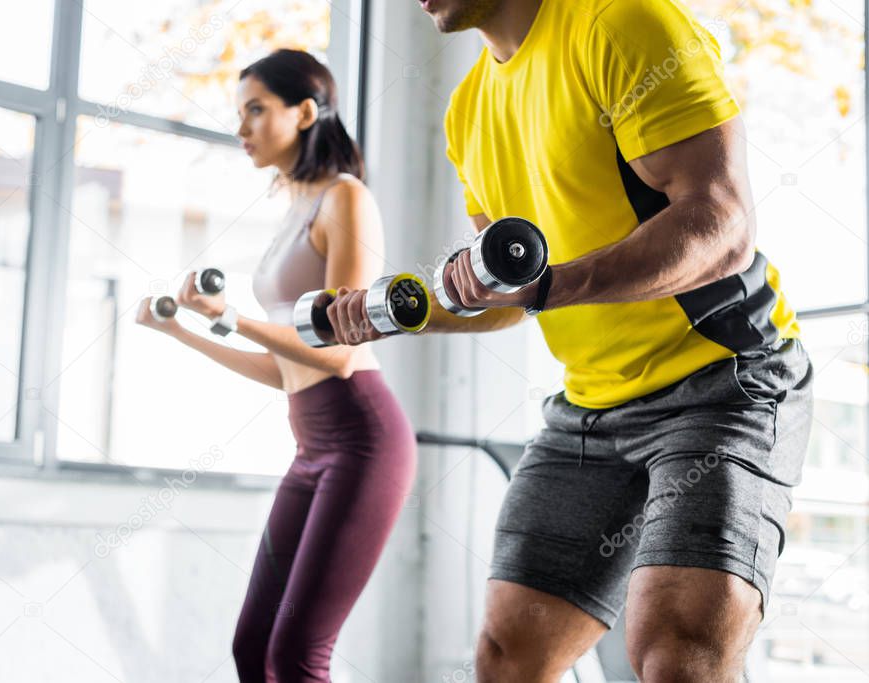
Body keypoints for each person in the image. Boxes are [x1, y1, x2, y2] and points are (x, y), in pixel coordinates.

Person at [325, 1, 814, 680]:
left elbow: (720, 224)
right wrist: (402, 311)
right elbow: (509, 297)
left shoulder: (620, 23)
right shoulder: (468, 109)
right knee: (508, 653)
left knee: (675, 649)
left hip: (722, 380)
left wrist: (553, 284)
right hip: (591, 404)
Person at [135, 49, 417, 682]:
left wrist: (228, 314)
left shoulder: (344, 199)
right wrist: (181, 329)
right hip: (310, 444)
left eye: (256, 111)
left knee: (295, 655)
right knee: (251, 647)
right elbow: (283, 367)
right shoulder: (295, 210)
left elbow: (340, 353)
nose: (242, 130)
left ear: (306, 111)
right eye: (239, 114)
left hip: (363, 440)